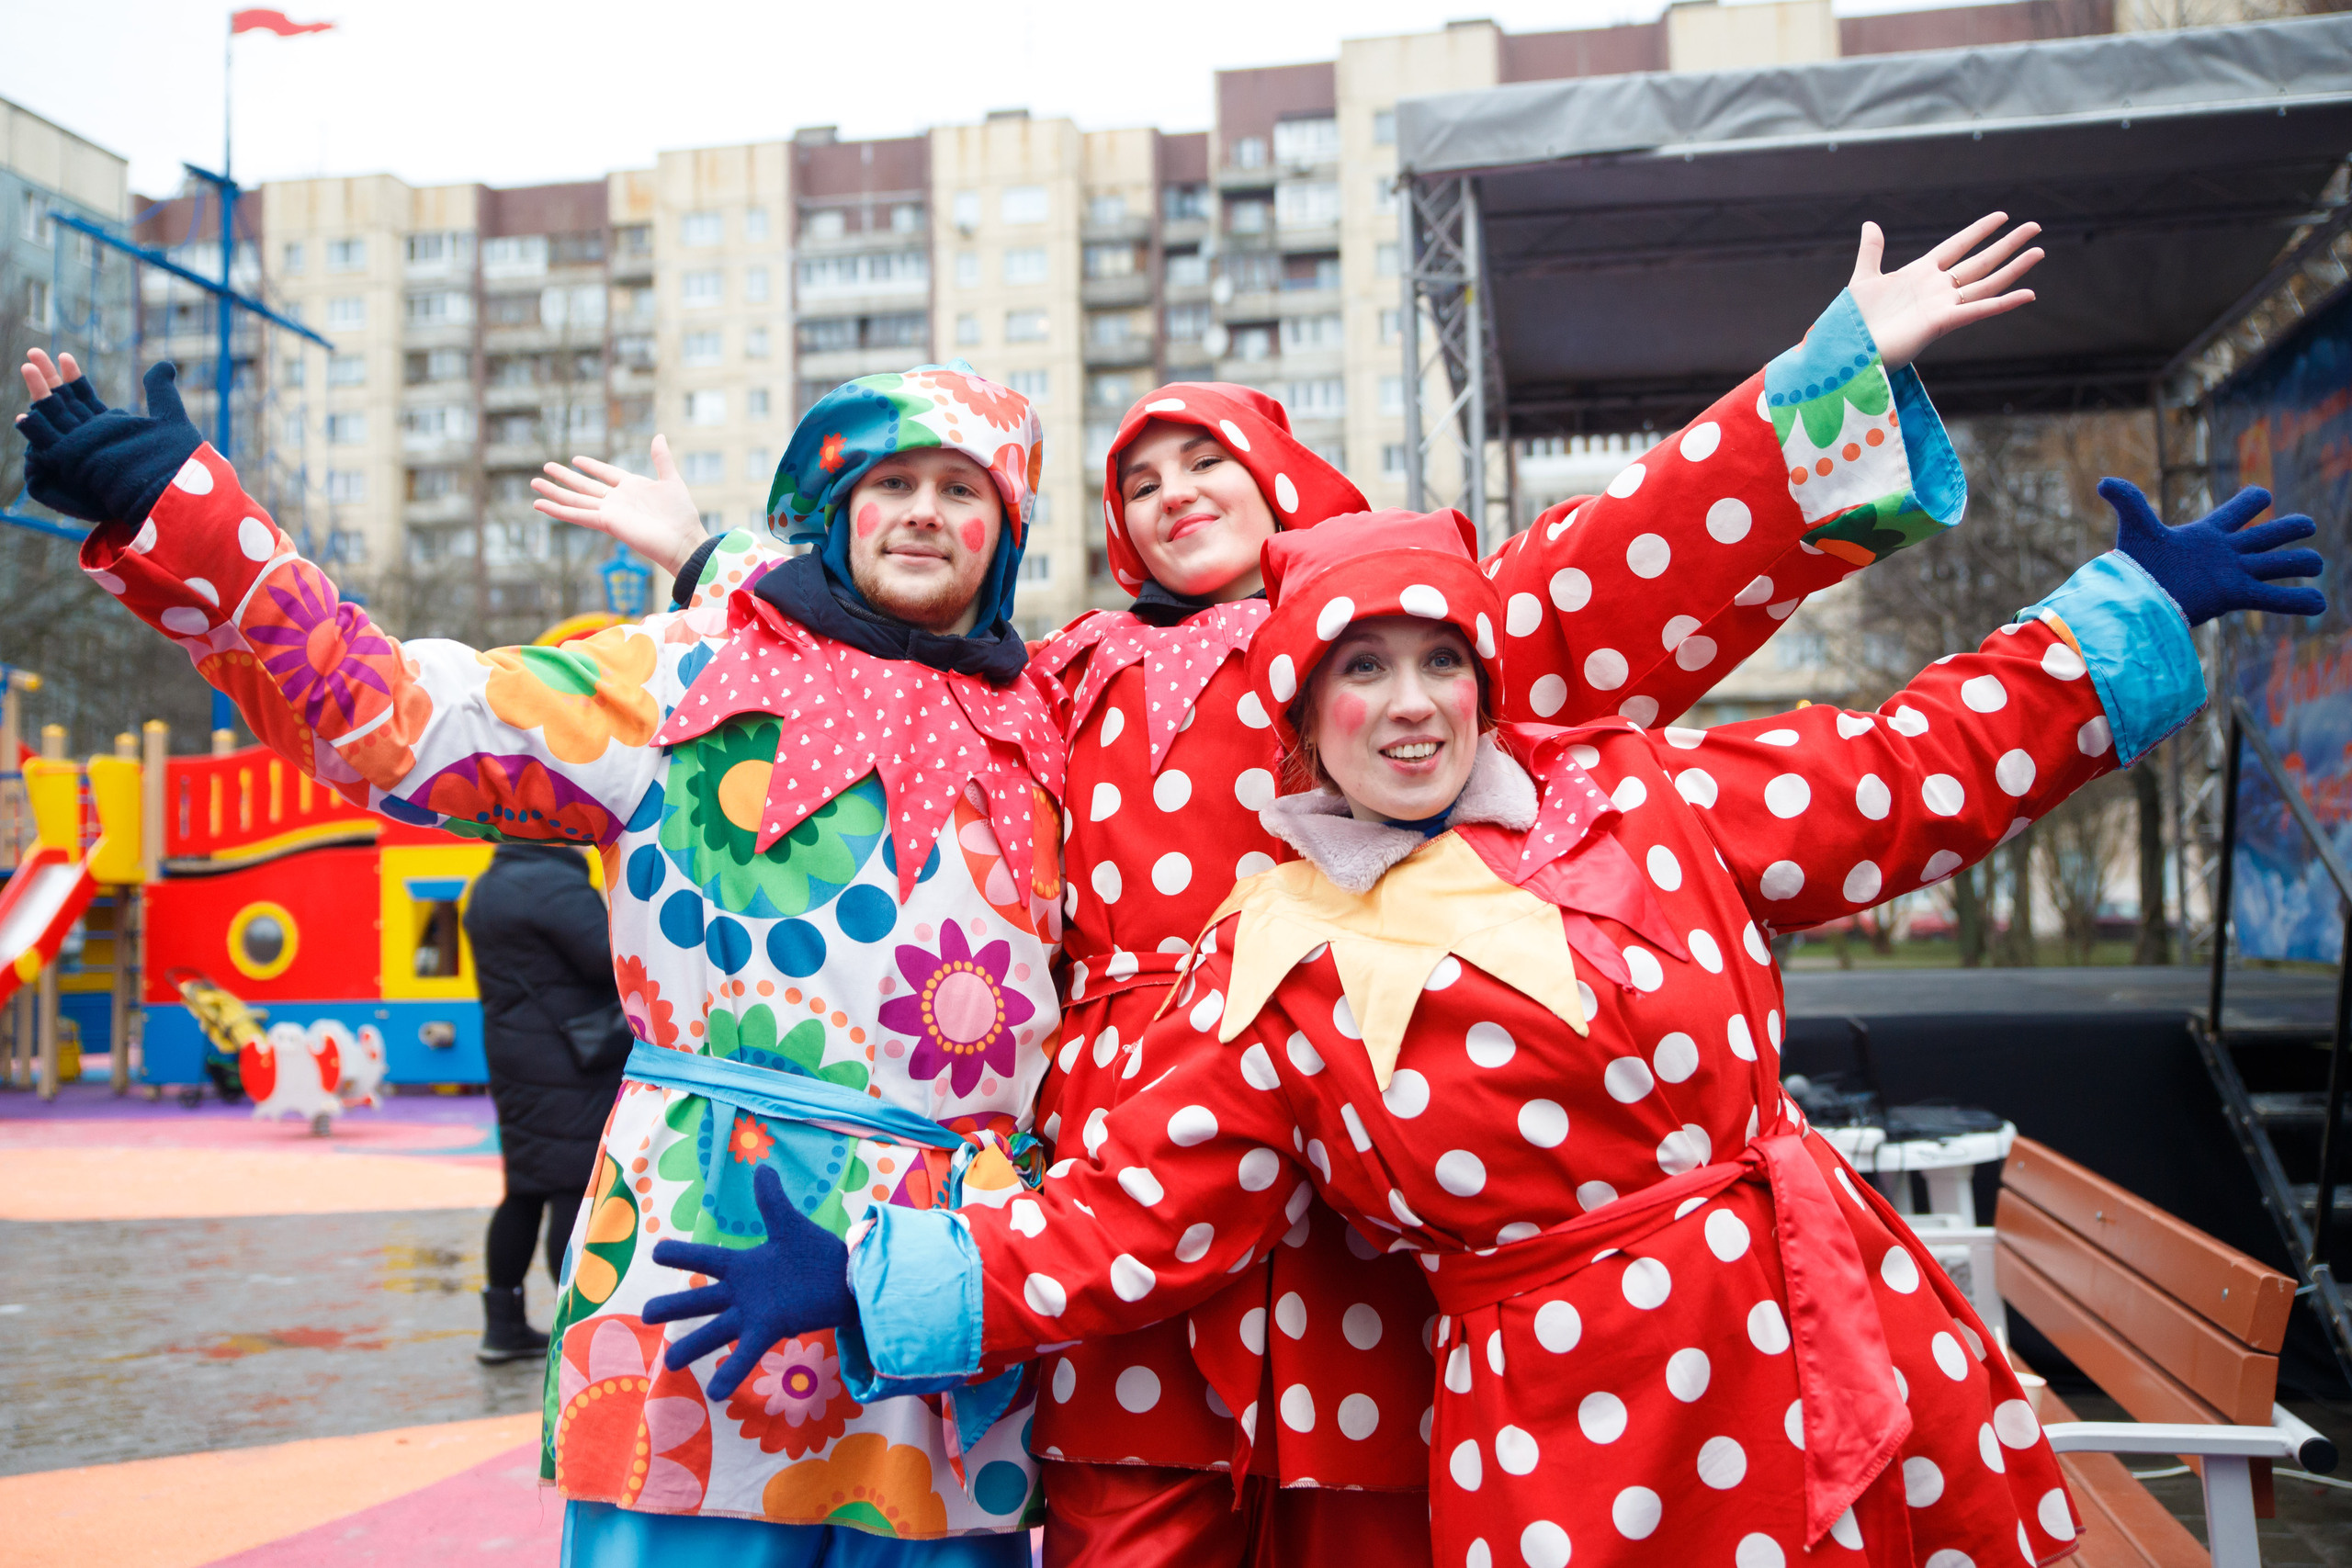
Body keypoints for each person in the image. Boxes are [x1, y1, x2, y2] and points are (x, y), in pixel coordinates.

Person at [547, 213, 2050, 1567]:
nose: (1173, 487)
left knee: (1371, 1489)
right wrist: (713, 554)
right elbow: (889, 643)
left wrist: (1829, 377)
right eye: (1140, 475)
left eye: (1207, 455)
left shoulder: (1386, 642)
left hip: (1361, 1144)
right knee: (1126, 1497)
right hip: (1136, 1153)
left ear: (1285, 479)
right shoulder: (1063, 677)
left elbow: (1629, 562)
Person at [634, 484, 2323, 1567]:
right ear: (1302, 724)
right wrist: (869, 1274)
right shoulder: (1274, 959)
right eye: (1355, 673)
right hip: (1579, 1440)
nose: (1406, 704)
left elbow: (1902, 773)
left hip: (1834, 1349)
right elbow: (1135, 1221)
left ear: (1486, 682)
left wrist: (2122, 619)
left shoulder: (1643, 800)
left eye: (1435, 661)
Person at [15, 351, 1064, 1565]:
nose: (926, 510)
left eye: (964, 488)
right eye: (891, 480)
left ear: (1010, 532)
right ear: (836, 510)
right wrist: (193, 523)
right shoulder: (686, 675)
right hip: (703, 1249)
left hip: (951, 1285)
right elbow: (398, 718)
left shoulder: (1052, 725)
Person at [464, 839, 631, 1364]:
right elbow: (612, 962)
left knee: (524, 1187)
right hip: (569, 1059)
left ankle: (503, 1324)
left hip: (516, 1054)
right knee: (568, 1184)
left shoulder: (489, 884)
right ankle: (576, 1328)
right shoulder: (552, 884)